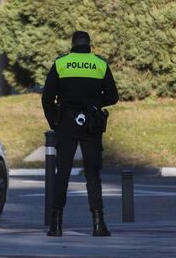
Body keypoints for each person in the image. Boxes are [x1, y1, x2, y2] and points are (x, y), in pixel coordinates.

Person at [42, 31, 119, 237]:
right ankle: (98, 224)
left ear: (72, 45)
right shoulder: (100, 64)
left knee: (63, 173)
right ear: (89, 45)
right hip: (91, 124)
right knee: (93, 173)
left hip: (66, 123)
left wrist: (55, 122)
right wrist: (94, 104)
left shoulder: (61, 63)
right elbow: (113, 96)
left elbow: (47, 97)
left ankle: (56, 225)